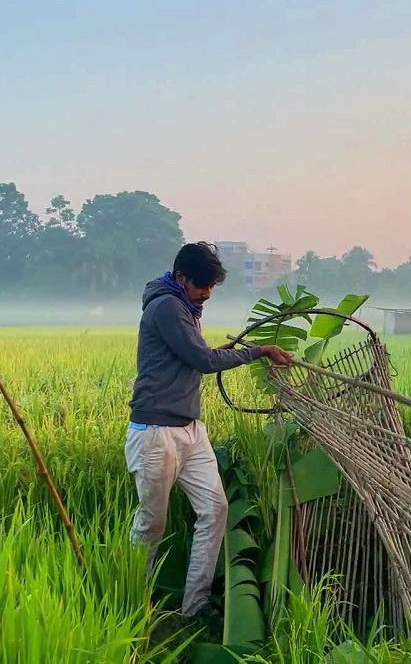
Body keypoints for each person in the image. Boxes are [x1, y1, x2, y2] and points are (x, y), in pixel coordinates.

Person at [125, 241, 292, 626]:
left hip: (190, 430)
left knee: (215, 510)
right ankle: (133, 602)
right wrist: (258, 351)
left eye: (213, 287)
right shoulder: (166, 306)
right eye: (202, 285)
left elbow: (197, 353)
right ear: (180, 277)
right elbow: (202, 359)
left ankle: (194, 606)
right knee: (152, 524)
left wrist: (242, 350)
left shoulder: (185, 306)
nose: (208, 293)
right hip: (156, 432)